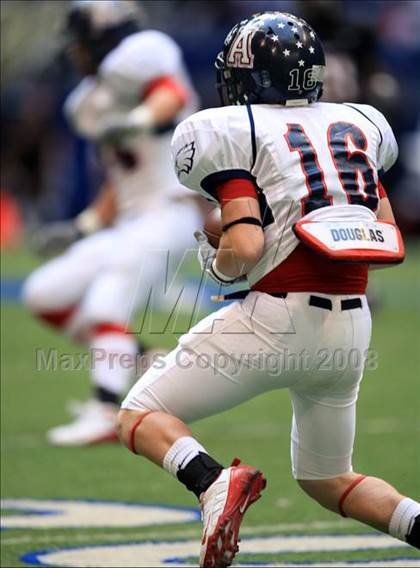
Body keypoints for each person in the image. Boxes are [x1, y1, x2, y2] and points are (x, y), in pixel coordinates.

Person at [117, 11, 420, 568]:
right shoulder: (360, 126)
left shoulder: (233, 131)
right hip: (350, 328)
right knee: (328, 478)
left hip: (277, 314)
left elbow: (247, 248)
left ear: (250, 78)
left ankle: (211, 483)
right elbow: (384, 231)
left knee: (139, 414)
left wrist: (223, 262)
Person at [23, 0, 201, 446]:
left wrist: (136, 119)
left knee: (108, 298)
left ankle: (107, 408)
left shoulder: (146, 59)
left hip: (173, 211)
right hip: (131, 219)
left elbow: (170, 96)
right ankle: (143, 359)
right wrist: (83, 226)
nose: (75, 52)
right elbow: (121, 177)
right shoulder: (91, 101)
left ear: (104, 36)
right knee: (45, 292)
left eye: (81, 41)